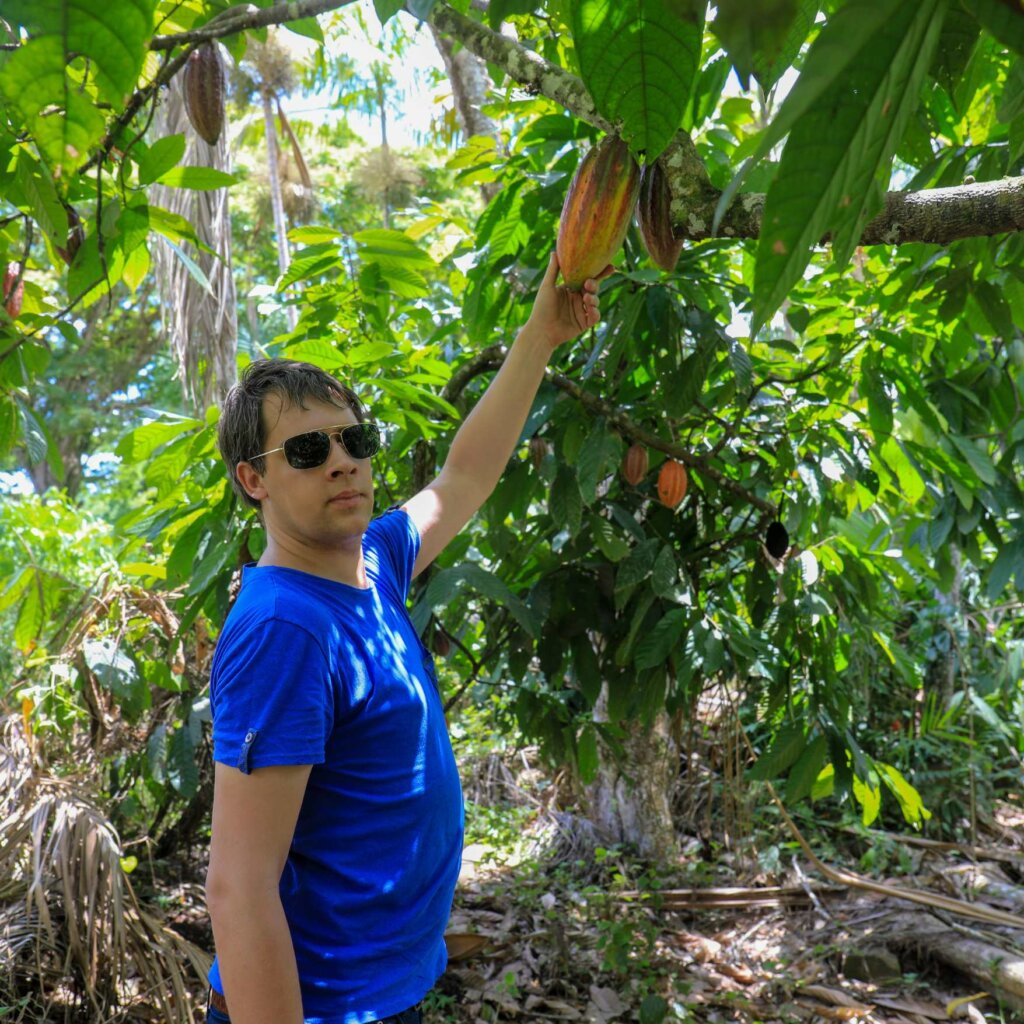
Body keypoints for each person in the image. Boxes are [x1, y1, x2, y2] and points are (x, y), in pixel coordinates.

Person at [204, 252, 609, 1024]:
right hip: (323, 1009)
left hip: (390, 992)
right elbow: (237, 887)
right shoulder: (285, 628)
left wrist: (541, 335)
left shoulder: (372, 565)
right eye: (307, 450)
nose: (343, 463)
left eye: (354, 440)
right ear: (253, 479)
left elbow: (463, 479)